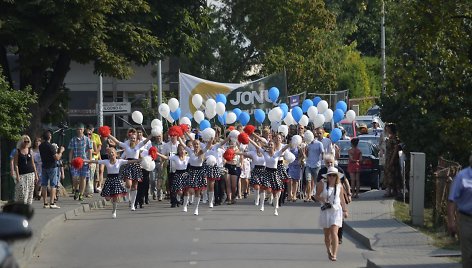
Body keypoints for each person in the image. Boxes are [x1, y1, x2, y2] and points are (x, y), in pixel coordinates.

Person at [85, 147, 137, 218]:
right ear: (108, 155)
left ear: (116, 154)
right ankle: (113, 202)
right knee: (107, 198)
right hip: (109, 180)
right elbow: (95, 161)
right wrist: (84, 160)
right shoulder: (106, 161)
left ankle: (114, 210)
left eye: (112, 152)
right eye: (110, 153)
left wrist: (140, 160)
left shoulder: (120, 161)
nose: (111, 154)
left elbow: (129, 161)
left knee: (115, 196)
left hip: (116, 180)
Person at [108, 130, 152, 211]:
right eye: (131, 138)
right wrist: (109, 135)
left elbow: (146, 141)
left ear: (136, 139)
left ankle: (132, 204)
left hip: (136, 166)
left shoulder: (138, 146)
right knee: (128, 184)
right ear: (129, 138)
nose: (133, 139)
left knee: (135, 186)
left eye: (134, 138)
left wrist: (152, 134)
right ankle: (127, 197)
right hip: (128, 165)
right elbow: (117, 142)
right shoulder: (126, 145)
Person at [315, 166, 349, 261]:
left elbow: (342, 199)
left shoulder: (339, 185)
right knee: (327, 235)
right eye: (330, 175)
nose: (332, 177)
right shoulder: (322, 184)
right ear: (327, 176)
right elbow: (316, 195)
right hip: (326, 210)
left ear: (337, 176)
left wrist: (345, 210)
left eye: (334, 175)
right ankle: (328, 249)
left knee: (334, 232)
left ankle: (334, 254)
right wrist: (322, 199)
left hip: (336, 210)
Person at [317, 154, 351, 244]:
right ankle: (330, 237)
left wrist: (349, 193)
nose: (329, 164)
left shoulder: (338, 170)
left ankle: (339, 237)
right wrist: (321, 197)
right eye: (327, 162)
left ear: (334, 162)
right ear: (325, 163)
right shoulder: (322, 171)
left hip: (338, 193)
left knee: (339, 219)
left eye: (331, 162)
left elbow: (345, 181)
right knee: (328, 222)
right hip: (327, 195)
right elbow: (318, 184)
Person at [447, 153, 472, 268]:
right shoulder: (462, 176)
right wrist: (451, 222)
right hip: (466, 220)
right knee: (468, 256)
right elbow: (452, 200)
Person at [39, 130, 65, 208]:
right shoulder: (50, 146)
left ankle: (45, 203)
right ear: (50, 137)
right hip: (52, 166)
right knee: (53, 184)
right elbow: (56, 157)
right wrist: (61, 152)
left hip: (44, 166)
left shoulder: (41, 146)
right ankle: (52, 203)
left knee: (44, 184)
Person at [68, 123, 93, 201]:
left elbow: (90, 151)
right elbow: (71, 151)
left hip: (84, 162)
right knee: (74, 178)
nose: (79, 131)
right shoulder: (73, 139)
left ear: (83, 130)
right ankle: (76, 190)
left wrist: (90, 161)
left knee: (83, 178)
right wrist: (70, 161)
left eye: (81, 129)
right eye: (78, 129)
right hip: (75, 162)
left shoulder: (87, 139)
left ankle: (81, 194)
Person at [13, 135, 39, 205]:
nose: (26, 143)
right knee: (23, 192)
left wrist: (36, 175)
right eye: (25, 141)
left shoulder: (30, 150)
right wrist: (17, 176)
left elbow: (33, 163)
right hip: (22, 175)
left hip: (31, 174)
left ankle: (28, 207)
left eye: (28, 141)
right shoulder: (17, 151)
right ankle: (21, 206)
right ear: (22, 142)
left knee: (30, 192)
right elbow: (16, 165)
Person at [305, 129, 324, 202]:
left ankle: (317, 195)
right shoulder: (308, 144)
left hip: (316, 165)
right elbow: (306, 155)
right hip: (308, 165)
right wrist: (305, 151)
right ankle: (308, 196)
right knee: (308, 180)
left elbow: (322, 152)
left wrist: (323, 159)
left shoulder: (319, 143)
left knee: (317, 182)